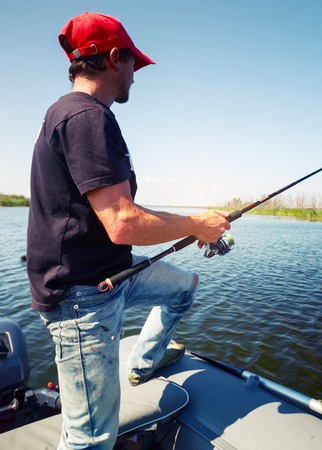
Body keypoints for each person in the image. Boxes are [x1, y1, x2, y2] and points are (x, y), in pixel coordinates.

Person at [26, 11, 231, 450]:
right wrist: (197, 223)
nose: (136, 75)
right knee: (92, 436)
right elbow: (122, 222)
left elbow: (117, 217)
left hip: (114, 272)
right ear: (114, 58)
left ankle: (142, 362)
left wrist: (191, 226)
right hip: (82, 298)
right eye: (134, 64)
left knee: (185, 287)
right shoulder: (86, 118)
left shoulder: (76, 114)